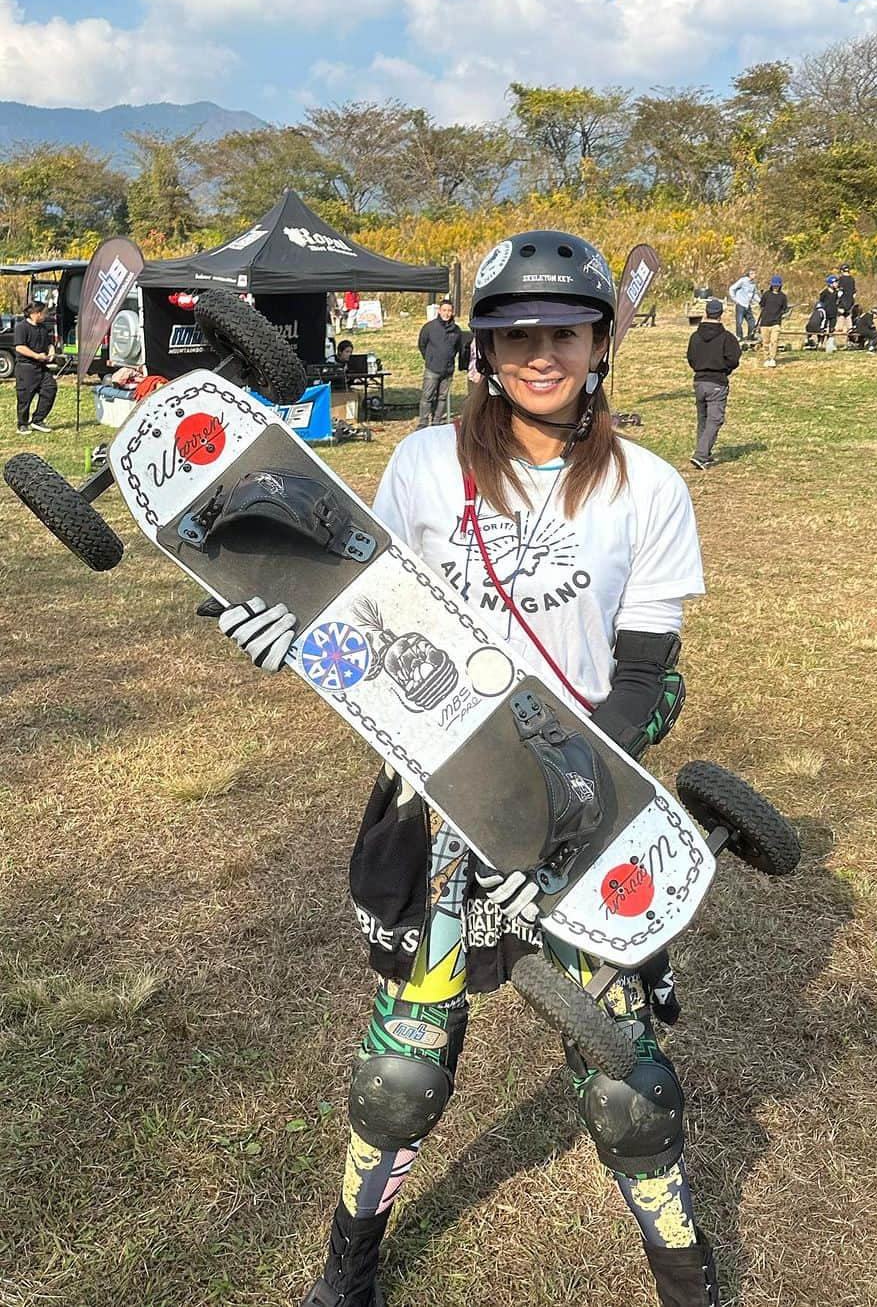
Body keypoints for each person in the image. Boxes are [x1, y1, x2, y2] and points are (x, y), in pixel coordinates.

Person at [211, 230, 722, 1307]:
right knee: (400, 1073)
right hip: (439, 800)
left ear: (599, 346)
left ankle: (684, 1275)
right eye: (518, 334)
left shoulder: (648, 485)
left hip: (578, 810)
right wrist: (282, 627)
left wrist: (557, 798)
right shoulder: (424, 465)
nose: (543, 353)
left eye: (566, 333)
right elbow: (357, 610)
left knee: (628, 1085)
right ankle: (349, 1267)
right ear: (483, 350)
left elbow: (646, 679)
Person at [686, 297, 740, 469]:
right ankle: (701, 455)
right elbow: (734, 359)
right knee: (714, 420)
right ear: (721, 314)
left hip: (699, 382)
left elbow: (691, 358)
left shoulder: (695, 336)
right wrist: (724, 369)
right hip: (717, 382)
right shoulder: (727, 337)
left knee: (703, 419)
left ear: (706, 312)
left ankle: (704, 453)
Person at [417, 298, 466, 427]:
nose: (446, 313)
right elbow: (422, 344)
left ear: (453, 312)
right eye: (444, 310)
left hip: (448, 371)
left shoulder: (456, 330)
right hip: (432, 369)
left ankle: (436, 422)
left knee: (442, 398)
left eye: (449, 311)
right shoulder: (430, 327)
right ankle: (423, 423)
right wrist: (429, 358)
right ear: (439, 311)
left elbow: (458, 349)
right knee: (427, 397)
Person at [13, 300, 57, 434]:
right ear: (35, 313)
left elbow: (49, 343)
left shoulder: (42, 327)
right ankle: (22, 424)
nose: (46, 315)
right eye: (44, 313)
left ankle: (38, 420)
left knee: (50, 388)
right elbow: (20, 347)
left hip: (42, 368)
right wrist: (36, 356)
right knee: (25, 398)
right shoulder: (22, 327)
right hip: (26, 368)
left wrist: (51, 350)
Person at [758, 275, 789, 368]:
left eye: (777, 285)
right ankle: (766, 358)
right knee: (765, 342)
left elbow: (784, 308)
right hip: (765, 323)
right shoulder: (766, 295)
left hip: (776, 323)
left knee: (774, 341)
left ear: (780, 286)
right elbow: (761, 305)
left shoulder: (783, 297)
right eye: (774, 285)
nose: (776, 287)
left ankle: (772, 358)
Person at [726, 268, 759, 343]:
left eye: (754, 273)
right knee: (739, 322)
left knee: (752, 322)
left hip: (747, 305)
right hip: (740, 305)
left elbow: (754, 295)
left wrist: (761, 301)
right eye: (752, 273)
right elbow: (732, 288)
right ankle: (739, 337)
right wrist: (735, 299)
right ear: (748, 274)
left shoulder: (753, 283)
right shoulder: (742, 281)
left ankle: (750, 336)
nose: (754, 275)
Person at [818, 276, 839, 350]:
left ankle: (829, 344)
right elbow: (821, 301)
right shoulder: (824, 292)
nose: (837, 284)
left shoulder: (837, 292)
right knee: (823, 329)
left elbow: (837, 301)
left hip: (833, 313)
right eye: (835, 282)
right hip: (825, 313)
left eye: (837, 282)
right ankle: (820, 343)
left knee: (832, 329)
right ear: (830, 284)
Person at [835, 264, 856, 336]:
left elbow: (840, 291)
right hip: (850, 300)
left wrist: (837, 299)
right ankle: (850, 328)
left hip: (843, 300)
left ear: (841, 270)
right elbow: (854, 292)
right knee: (848, 314)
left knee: (840, 314)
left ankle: (840, 327)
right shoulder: (852, 279)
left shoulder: (841, 279)